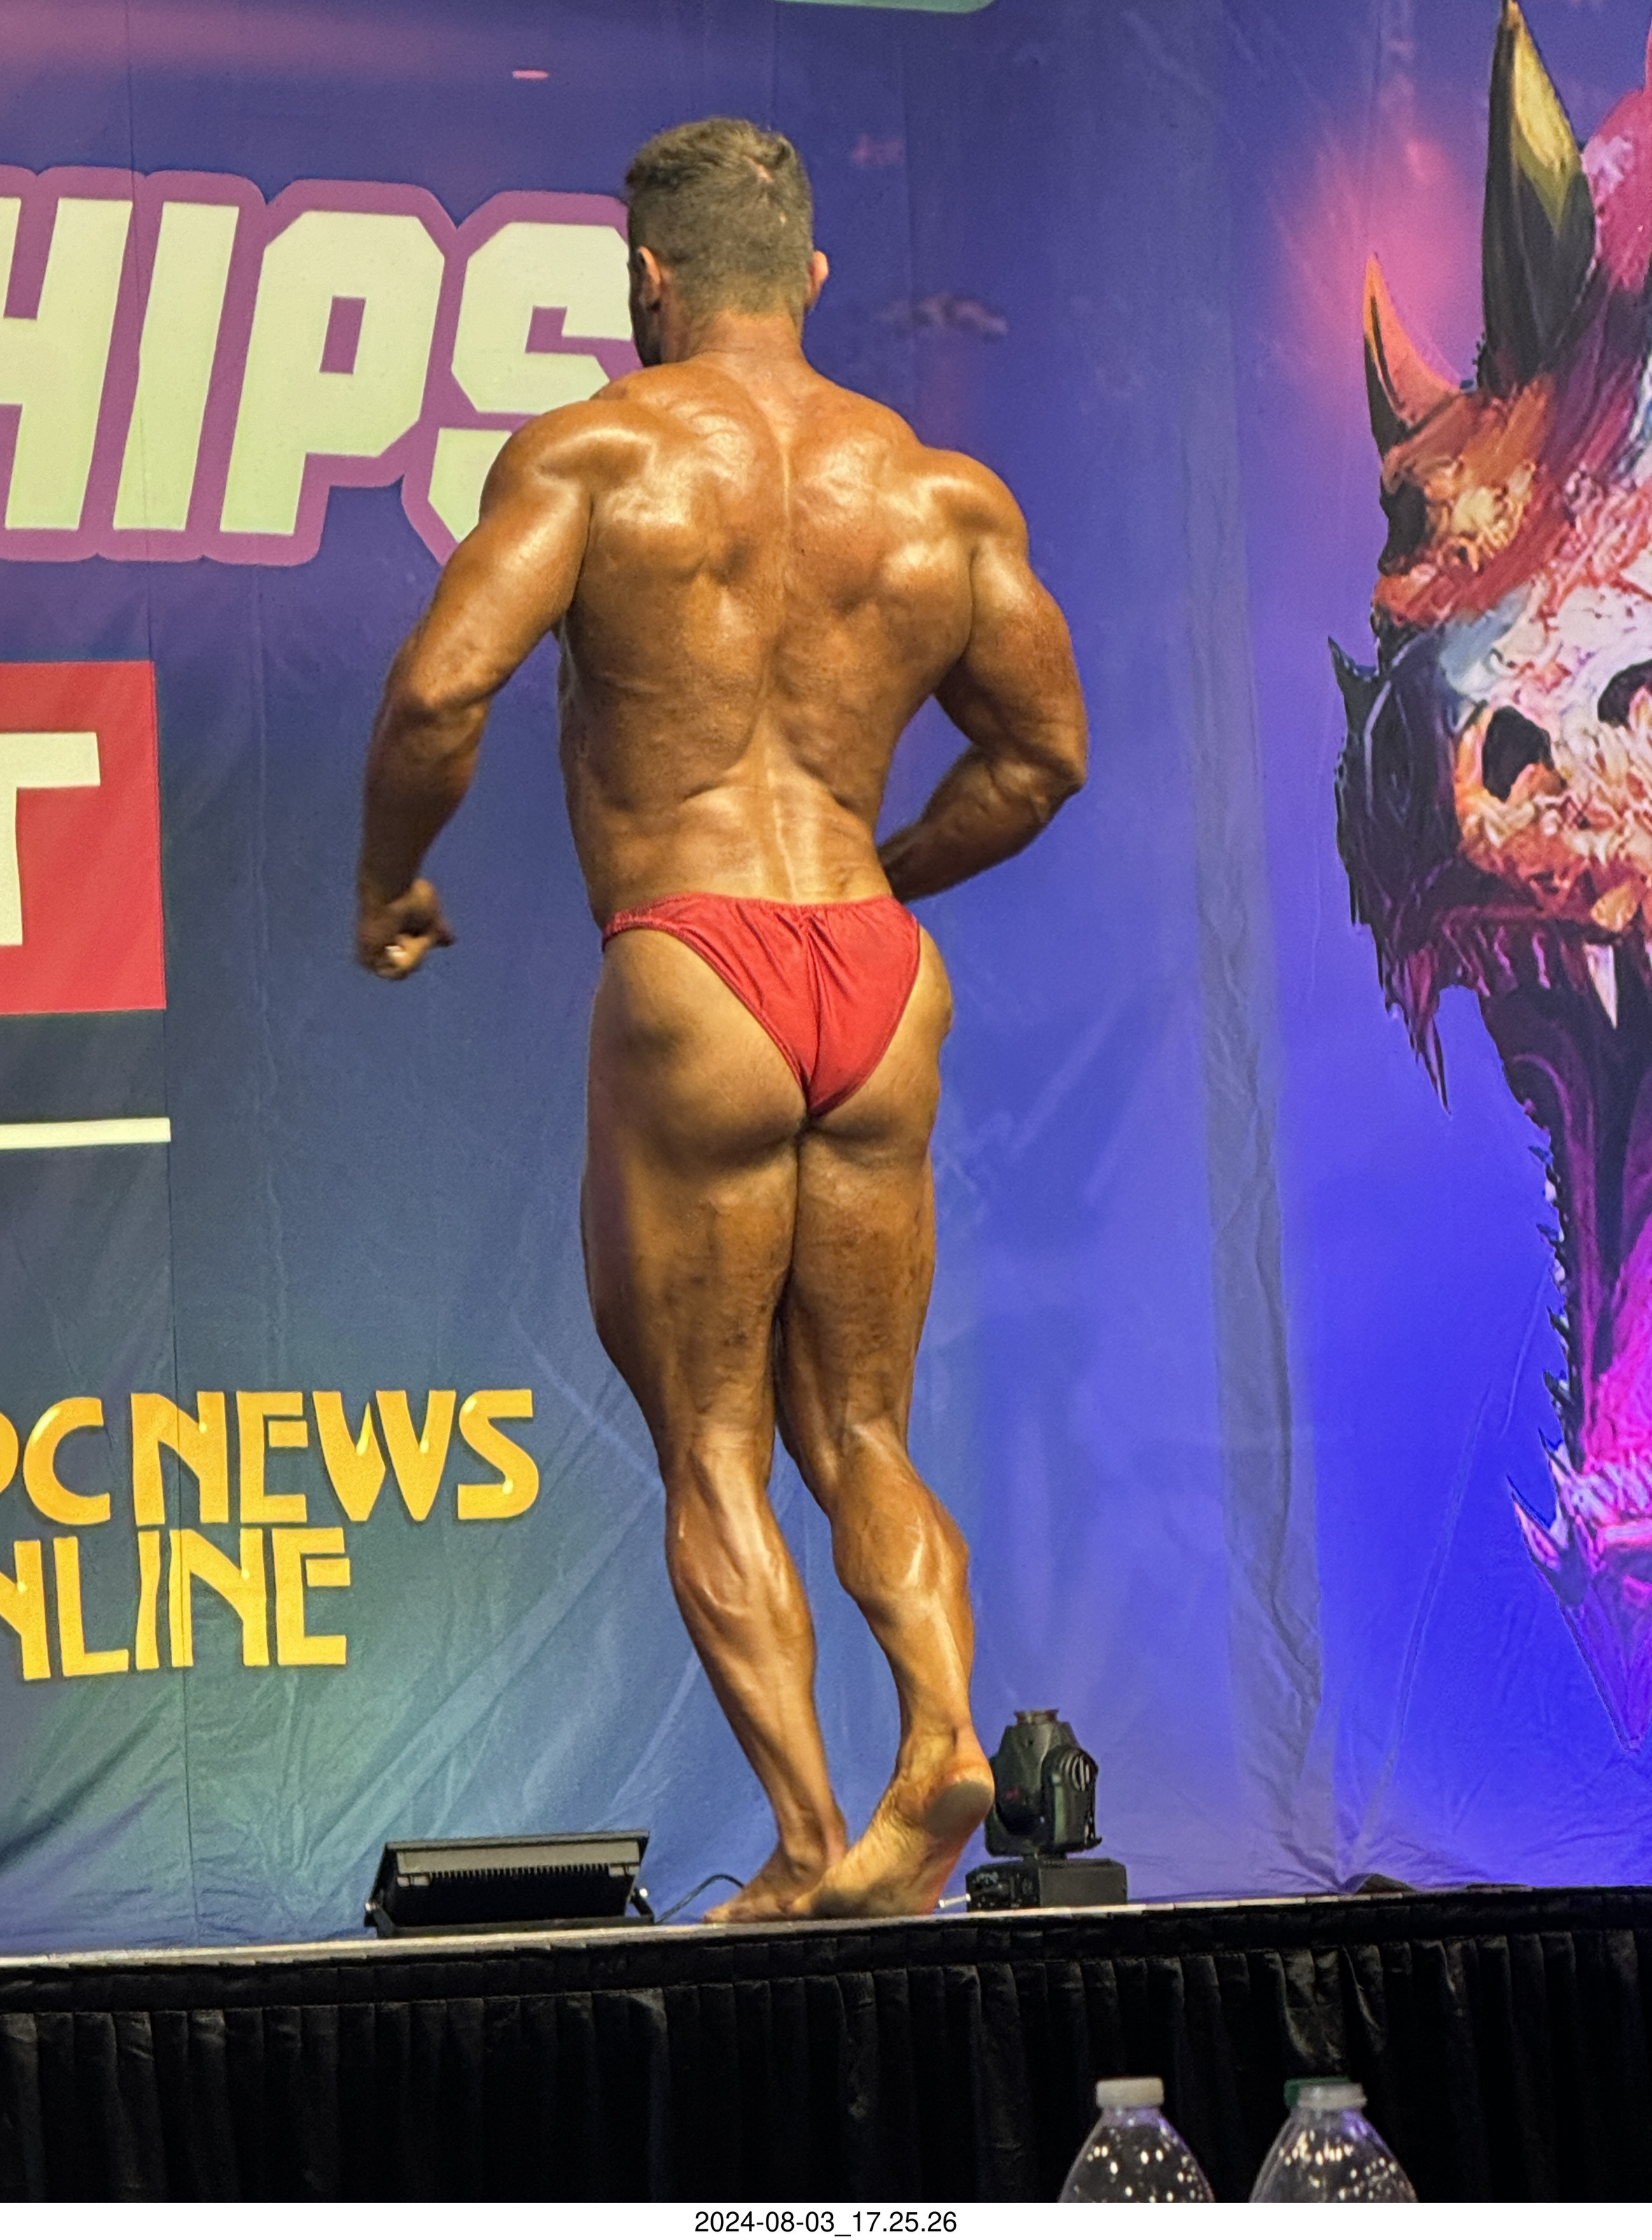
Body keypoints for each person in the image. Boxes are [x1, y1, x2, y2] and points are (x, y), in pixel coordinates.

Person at [355, 118, 1087, 1920]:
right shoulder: (939, 494)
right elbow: (1042, 758)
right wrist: (879, 878)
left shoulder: (601, 453)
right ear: (814, 276)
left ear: (647, 281)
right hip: (871, 969)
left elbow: (442, 691)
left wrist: (389, 881)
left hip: (695, 962)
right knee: (866, 1432)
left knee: (713, 1442)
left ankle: (809, 1840)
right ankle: (943, 1735)